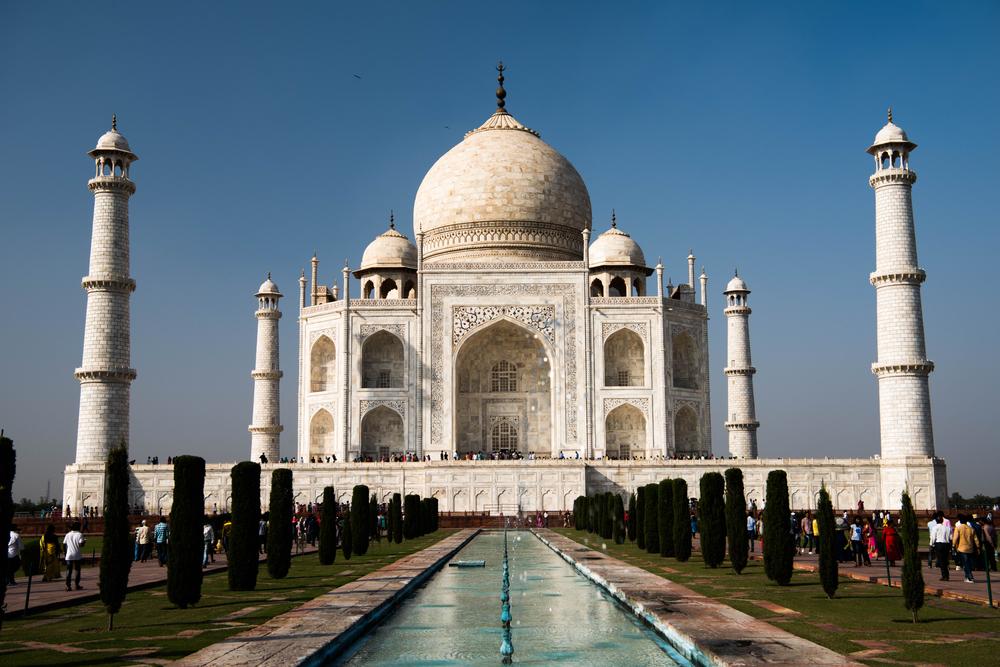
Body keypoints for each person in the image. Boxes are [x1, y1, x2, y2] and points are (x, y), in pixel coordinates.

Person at [952, 514, 980, 583]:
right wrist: (978, 547)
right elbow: (976, 539)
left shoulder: (958, 528)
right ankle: (967, 576)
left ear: (960, 521)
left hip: (962, 548)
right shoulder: (971, 529)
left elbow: (955, 538)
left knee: (966, 563)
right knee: (968, 563)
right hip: (970, 548)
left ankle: (970, 577)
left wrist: (953, 545)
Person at [63, 521, 86, 591]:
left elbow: (64, 544)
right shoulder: (80, 534)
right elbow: (81, 545)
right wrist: (84, 542)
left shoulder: (67, 534)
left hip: (69, 555)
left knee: (69, 571)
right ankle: (76, 585)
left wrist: (65, 553)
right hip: (77, 554)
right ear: (78, 527)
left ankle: (68, 586)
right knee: (77, 570)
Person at [930, 511, 952, 581]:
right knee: (945, 560)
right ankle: (946, 575)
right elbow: (950, 537)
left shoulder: (935, 527)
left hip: (939, 544)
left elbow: (933, 537)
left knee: (941, 561)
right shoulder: (947, 528)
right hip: (946, 544)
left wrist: (931, 545)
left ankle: (944, 576)